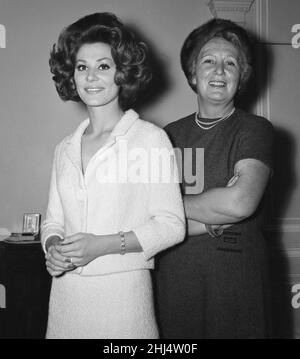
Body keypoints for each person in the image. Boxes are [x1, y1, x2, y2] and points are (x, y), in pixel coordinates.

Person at [41, 12, 185, 339]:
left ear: (122, 72)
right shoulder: (64, 148)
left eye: (103, 66)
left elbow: (171, 225)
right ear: (71, 74)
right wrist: (53, 248)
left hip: (123, 303)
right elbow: (53, 222)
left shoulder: (150, 139)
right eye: (82, 67)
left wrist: (102, 245)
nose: (91, 76)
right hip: (66, 302)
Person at [155, 18, 274, 339]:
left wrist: (172, 207)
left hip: (237, 286)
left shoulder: (255, 129)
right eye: (209, 61)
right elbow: (150, 217)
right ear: (193, 74)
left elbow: (239, 202)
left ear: (241, 76)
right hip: (174, 286)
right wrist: (209, 217)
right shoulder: (166, 136)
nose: (219, 71)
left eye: (230, 63)